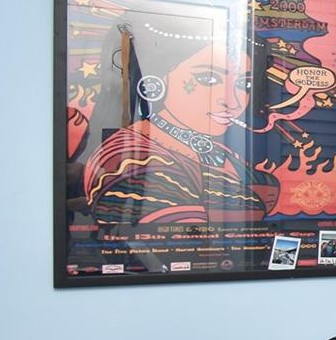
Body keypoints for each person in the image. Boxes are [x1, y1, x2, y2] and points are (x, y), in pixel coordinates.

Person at [83, 13, 271, 231]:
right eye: (208, 79)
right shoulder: (134, 161)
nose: (233, 101)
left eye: (244, 85)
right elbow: (176, 243)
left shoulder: (217, 150)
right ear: (158, 79)